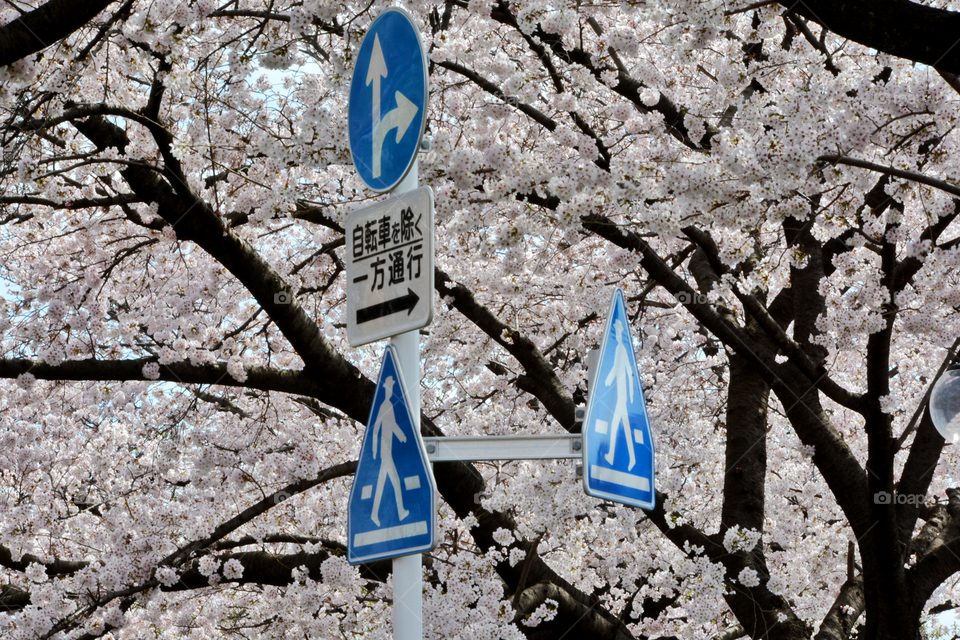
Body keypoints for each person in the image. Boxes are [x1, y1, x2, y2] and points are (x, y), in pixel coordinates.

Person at [371, 376, 410, 526]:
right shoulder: (384, 405)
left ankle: (376, 514)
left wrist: (402, 436)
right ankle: (399, 512)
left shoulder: (388, 405)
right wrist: (374, 450)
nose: (391, 389)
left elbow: (392, 424)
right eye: (389, 387)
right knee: (394, 482)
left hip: (387, 451)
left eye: (392, 387)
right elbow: (375, 428)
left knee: (382, 483)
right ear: (386, 388)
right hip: (385, 451)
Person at [603, 319, 636, 470]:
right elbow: (628, 371)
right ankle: (632, 459)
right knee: (625, 428)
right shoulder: (621, 348)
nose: (616, 335)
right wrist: (631, 394)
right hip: (621, 396)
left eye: (617, 332)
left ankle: (612, 453)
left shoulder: (620, 348)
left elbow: (621, 369)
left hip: (621, 397)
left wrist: (607, 380)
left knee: (615, 425)